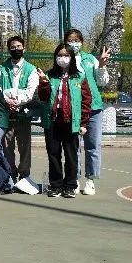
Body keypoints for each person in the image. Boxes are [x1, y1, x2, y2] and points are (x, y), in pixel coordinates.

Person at [37, 44, 91, 198]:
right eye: (59, 55)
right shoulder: (49, 75)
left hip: (71, 121)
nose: (63, 58)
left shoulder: (80, 76)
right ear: (55, 58)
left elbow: (86, 101)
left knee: (71, 154)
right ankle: (56, 185)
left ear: (72, 58)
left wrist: (84, 123)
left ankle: (70, 185)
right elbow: (43, 97)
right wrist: (44, 83)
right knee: (53, 153)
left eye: (66, 55)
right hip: (53, 120)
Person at [64, 28, 110, 196]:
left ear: (82, 42)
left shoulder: (90, 59)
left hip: (93, 108)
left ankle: (90, 181)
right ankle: (74, 179)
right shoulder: (64, 59)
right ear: (66, 42)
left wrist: (102, 65)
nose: (74, 43)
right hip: (73, 108)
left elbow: (103, 82)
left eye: (77, 40)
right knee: (73, 146)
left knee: (93, 146)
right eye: (70, 40)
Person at [0, 36, 39, 185]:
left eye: (18, 46)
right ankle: (10, 174)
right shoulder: (1, 68)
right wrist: (7, 101)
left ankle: (24, 175)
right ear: (9, 49)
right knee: (7, 147)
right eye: (12, 47)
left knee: (24, 147)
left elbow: (31, 91)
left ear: (24, 48)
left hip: (23, 113)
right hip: (6, 114)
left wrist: (18, 102)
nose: (16, 49)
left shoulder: (31, 69)